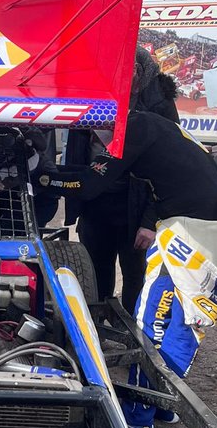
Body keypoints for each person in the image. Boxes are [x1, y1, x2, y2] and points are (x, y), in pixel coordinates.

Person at [35, 111, 217, 428]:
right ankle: (165, 405)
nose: (94, 139)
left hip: (186, 229)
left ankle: (138, 417)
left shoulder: (131, 131)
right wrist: (52, 173)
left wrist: (40, 179)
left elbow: (87, 186)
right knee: (185, 318)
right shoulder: (147, 123)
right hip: (210, 222)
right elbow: (92, 174)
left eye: (90, 129)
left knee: (150, 317)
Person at [64, 48, 179, 314]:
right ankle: (99, 335)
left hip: (135, 206)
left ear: (138, 72)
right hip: (96, 202)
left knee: (136, 277)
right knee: (95, 274)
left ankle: (135, 336)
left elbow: (166, 168)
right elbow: (76, 152)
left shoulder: (159, 103)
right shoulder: (92, 95)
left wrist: (150, 222)